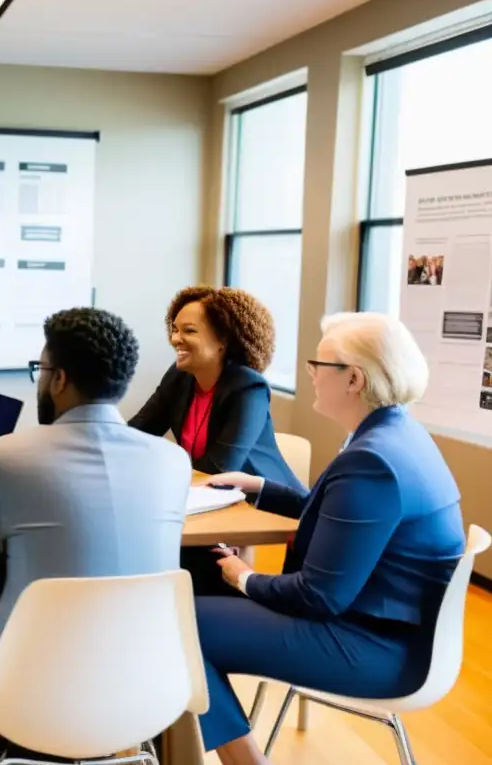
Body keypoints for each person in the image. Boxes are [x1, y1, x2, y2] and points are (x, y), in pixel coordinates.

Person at [0, 307, 191, 764]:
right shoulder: (173, 461)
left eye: (40, 370)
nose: (40, 380)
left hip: (30, 697)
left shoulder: (7, 457)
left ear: (60, 379)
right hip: (152, 688)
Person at [197, 312, 465, 764]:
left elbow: (318, 596)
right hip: (387, 631)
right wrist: (257, 486)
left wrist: (244, 577)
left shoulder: (372, 462)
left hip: (374, 649)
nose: (312, 376)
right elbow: (338, 519)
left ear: (354, 379)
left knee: (177, 622)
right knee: (189, 608)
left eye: (318, 366)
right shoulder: (397, 435)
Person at [128, 286, 302, 595]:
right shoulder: (180, 376)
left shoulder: (248, 387)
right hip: (208, 505)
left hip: (263, 512)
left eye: (189, 331)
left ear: (222, 341)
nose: (175, 339)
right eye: (175, 329)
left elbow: (219, 469)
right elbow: (138, 433)